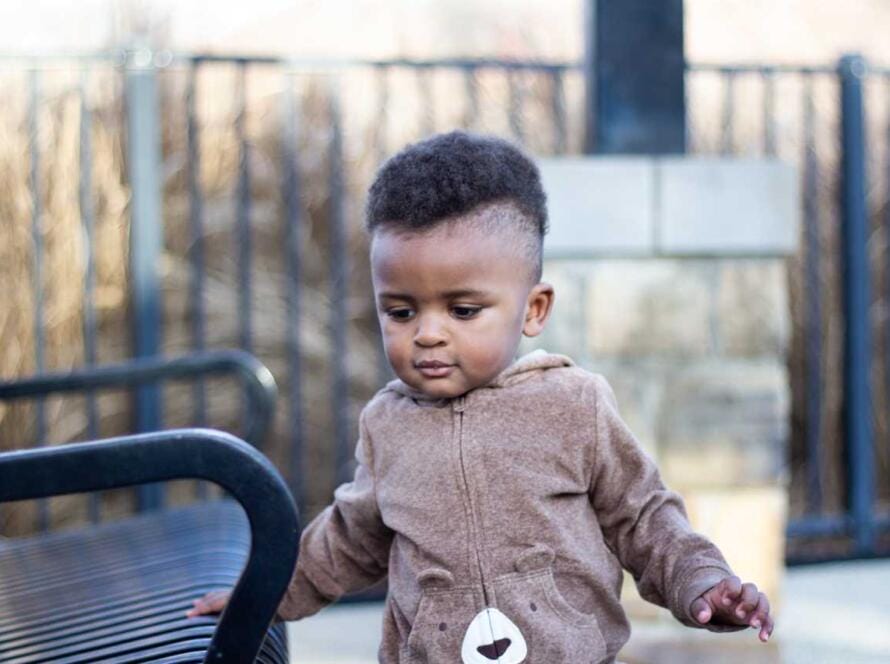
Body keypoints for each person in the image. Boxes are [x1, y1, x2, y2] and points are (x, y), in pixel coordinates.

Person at [188, 131, 774, 663]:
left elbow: (644, 517)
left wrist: (701, 580)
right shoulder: (387, 425)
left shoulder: (575, 405)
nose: (429, 332)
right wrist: (259, 595)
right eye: (400, 310)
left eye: (463, 310)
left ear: (534, 308)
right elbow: (348, 537)